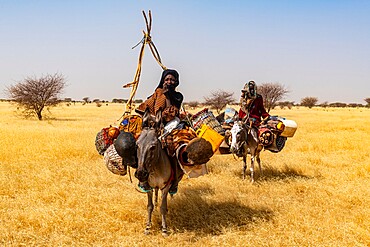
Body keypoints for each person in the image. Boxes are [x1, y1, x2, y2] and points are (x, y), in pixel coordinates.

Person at [135, 69, 184, 194]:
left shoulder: (178, 96)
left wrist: (168, 95)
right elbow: (149, 105)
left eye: (172, 79)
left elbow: (174, 109)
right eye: (167, 79)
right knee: (141, 146)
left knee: (173, 148)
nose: (169, 82)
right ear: (162, 80)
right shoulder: (157, 92)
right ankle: (142, 178)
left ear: (176, 82)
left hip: (170, 124)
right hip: (154, 123)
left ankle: (174, 181)